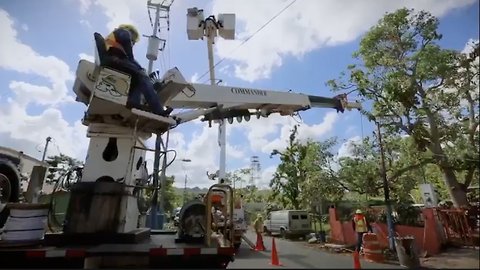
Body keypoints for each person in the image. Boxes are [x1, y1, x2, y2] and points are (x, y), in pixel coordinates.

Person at [103, 24, 172, 116]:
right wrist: (142, 71)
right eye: (133, 41)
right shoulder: (124, 33)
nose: (133, 44)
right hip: (115, 62)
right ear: (131, 33)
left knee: (137, 79)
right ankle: (158, 110)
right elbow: (130, 58)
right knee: (142, 77)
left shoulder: (113, 36)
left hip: (112, 61)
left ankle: (133, 103)